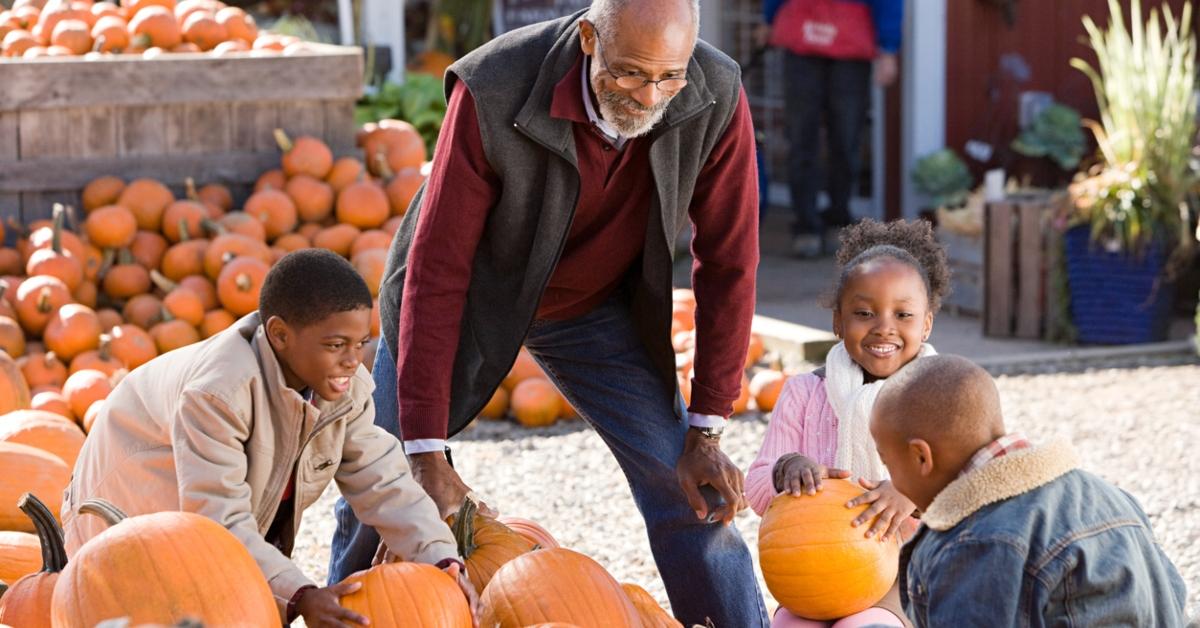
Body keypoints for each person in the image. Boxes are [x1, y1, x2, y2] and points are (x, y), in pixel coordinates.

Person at [328, 0, 769, 624]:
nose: (649, 97)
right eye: (630, 74)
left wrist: (707, 427)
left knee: (686, 484)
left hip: (590, 306)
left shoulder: (715, 91)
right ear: (589, 37)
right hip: (470, 299)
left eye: (669, 77)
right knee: (389, 472)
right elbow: (439, 267)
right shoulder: (496, 85)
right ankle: (334, 608)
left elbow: (729, 262)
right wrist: (425, 450)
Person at [61, 249, 475, 626]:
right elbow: (218, 523)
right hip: (129, 507)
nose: (353, 360)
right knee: (182, 606)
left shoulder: (344, 387)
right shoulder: (217, 395)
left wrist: (441, 557)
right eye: (335, 344)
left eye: (360, 343)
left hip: (202, 530)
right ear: (279, 335)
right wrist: (301, 594)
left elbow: (383, 481)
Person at [870, 355, 1190, 627]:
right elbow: (1172, 596)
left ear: (921, 457)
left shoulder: (974, 543)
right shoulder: (1108, 495)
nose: (892, 479)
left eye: (887, 462)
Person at [745, 218, 946, 627]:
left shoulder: (939, 398)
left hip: (907, 574)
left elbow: (975, 488)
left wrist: (913, 494)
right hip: (813, 568)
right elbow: (755, 487)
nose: (884, 326)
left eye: (903, 313)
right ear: (838, 322)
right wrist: (786, 470)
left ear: (926, 323)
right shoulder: (803, 392)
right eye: (864, 312)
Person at [758, 0, 904, 257]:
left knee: (846, 140)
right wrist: (768, 18)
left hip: (851, 46)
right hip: (802, 41)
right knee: (802, 139)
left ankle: (839, 219)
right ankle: (806, 225)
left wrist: (889, 48)